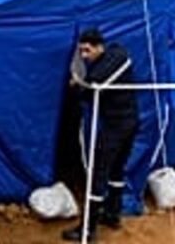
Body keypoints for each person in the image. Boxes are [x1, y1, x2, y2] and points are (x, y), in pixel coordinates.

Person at [62, 27, 139, 241]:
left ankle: (87, 230)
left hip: (118, 127)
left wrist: (77, 85)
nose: (84, 56)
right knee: (116, 170)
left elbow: (92, 87)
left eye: (87, 50)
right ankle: (112, 214)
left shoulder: (115, 59)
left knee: (98, 173)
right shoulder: (117, 55)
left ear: (99, 47)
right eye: (81, 51)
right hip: (129, 122)